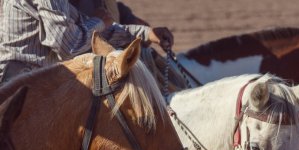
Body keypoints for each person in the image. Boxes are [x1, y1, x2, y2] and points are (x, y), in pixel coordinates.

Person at [0, 0, 174, 82]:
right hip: (18, 83)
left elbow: (95, 30)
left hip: (38, 81)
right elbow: (70, 46)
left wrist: (146, 33)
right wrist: (98, 22)